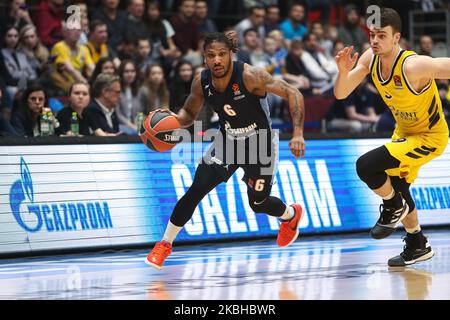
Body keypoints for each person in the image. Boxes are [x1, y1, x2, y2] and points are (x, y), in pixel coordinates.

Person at [145, 31, 306, 269]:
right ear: (204, 58)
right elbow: (189, 113)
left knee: (258, 204)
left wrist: (298, 133)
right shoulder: (202, 81)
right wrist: (174, 121)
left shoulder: (251, 75)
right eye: (211, 56)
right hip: (228, 141)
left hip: (260, 143)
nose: (217, 60)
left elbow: (294, 92)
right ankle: (165, 244)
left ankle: (291, 216)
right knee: (197, 188)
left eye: (221, 54)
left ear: (230, 54)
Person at [334, 8, 450, 266]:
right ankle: (417, 243)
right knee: (398, 186)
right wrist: (343, 72)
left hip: (429, 137)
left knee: (366, 165)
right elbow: (341, 94)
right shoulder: (370, 58)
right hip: (405, 133)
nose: (374, 40)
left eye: (382, 35)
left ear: (396, 38)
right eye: (372, 35)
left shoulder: (414, 65)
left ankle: (392, 205)